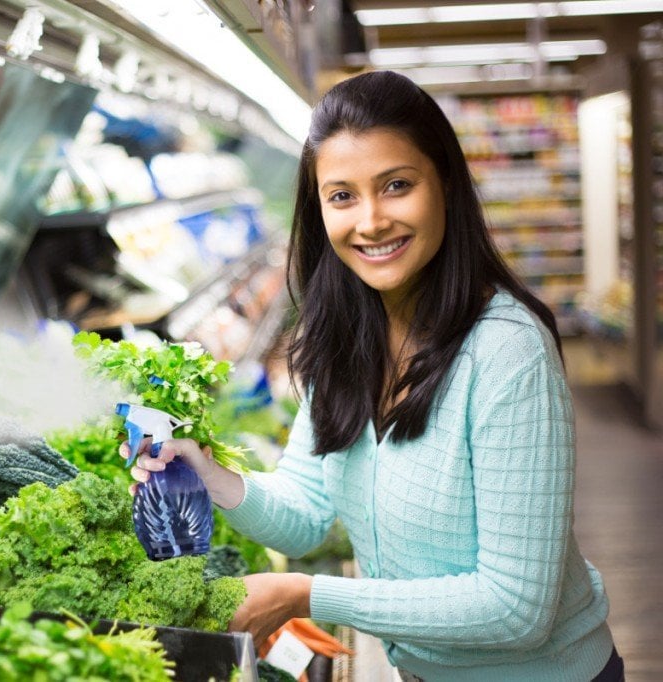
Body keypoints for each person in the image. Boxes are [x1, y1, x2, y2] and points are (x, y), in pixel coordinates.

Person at [122, 70, 624, 682]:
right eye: (342, 196)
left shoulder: (507, 352)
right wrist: (208, 474)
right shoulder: (342, 340)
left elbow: (517, 608)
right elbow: (305, 514)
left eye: (397, 185)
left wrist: (308, 595)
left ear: (444, 183)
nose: (371, 221)